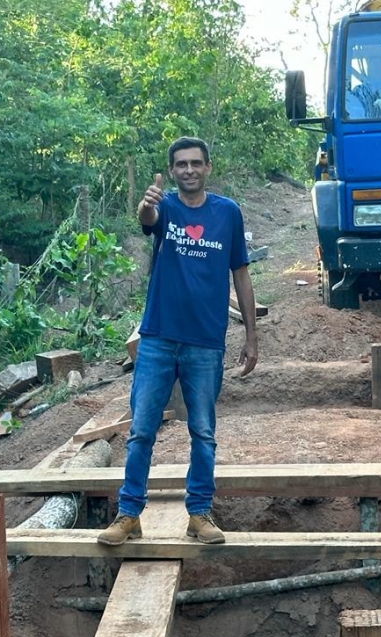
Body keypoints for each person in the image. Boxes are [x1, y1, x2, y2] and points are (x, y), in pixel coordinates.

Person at [97, 136, 258, 546]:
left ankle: (199, 514)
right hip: (158, 338)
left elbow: (241, 273)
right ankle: (129, 515)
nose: (189, 170)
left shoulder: (228, 214)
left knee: (203, 431)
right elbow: (147, 218)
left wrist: (252, 334)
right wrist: (146, 204)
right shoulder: (164, 207)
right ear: (171, 172)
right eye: (181, 165)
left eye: (195, 163)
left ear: (208, 167)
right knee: (141, 431)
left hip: (206, 341)